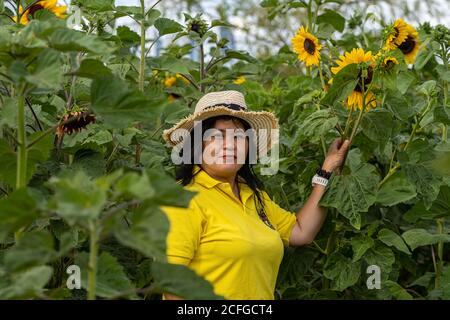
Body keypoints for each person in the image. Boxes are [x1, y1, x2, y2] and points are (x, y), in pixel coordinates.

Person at [160, 90, 350, 300]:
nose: (229, 144)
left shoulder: (253, 195)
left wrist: (327, 170)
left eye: (239, 136)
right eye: (216, 136)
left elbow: (300, 232)